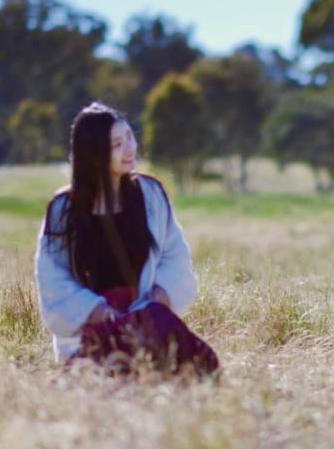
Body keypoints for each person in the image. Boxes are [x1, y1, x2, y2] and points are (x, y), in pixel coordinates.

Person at [35, 102, 218, 377]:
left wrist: (160, 297)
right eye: (117, 144)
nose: (129, 148)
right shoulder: (64, 209)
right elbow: (52, 277)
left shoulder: (150, 194)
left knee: (202, 368)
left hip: (146, 315)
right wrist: (95, 310)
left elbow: (173, 254)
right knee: (104, 379)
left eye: (130, 137)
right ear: (95, 154)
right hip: (94, 325)